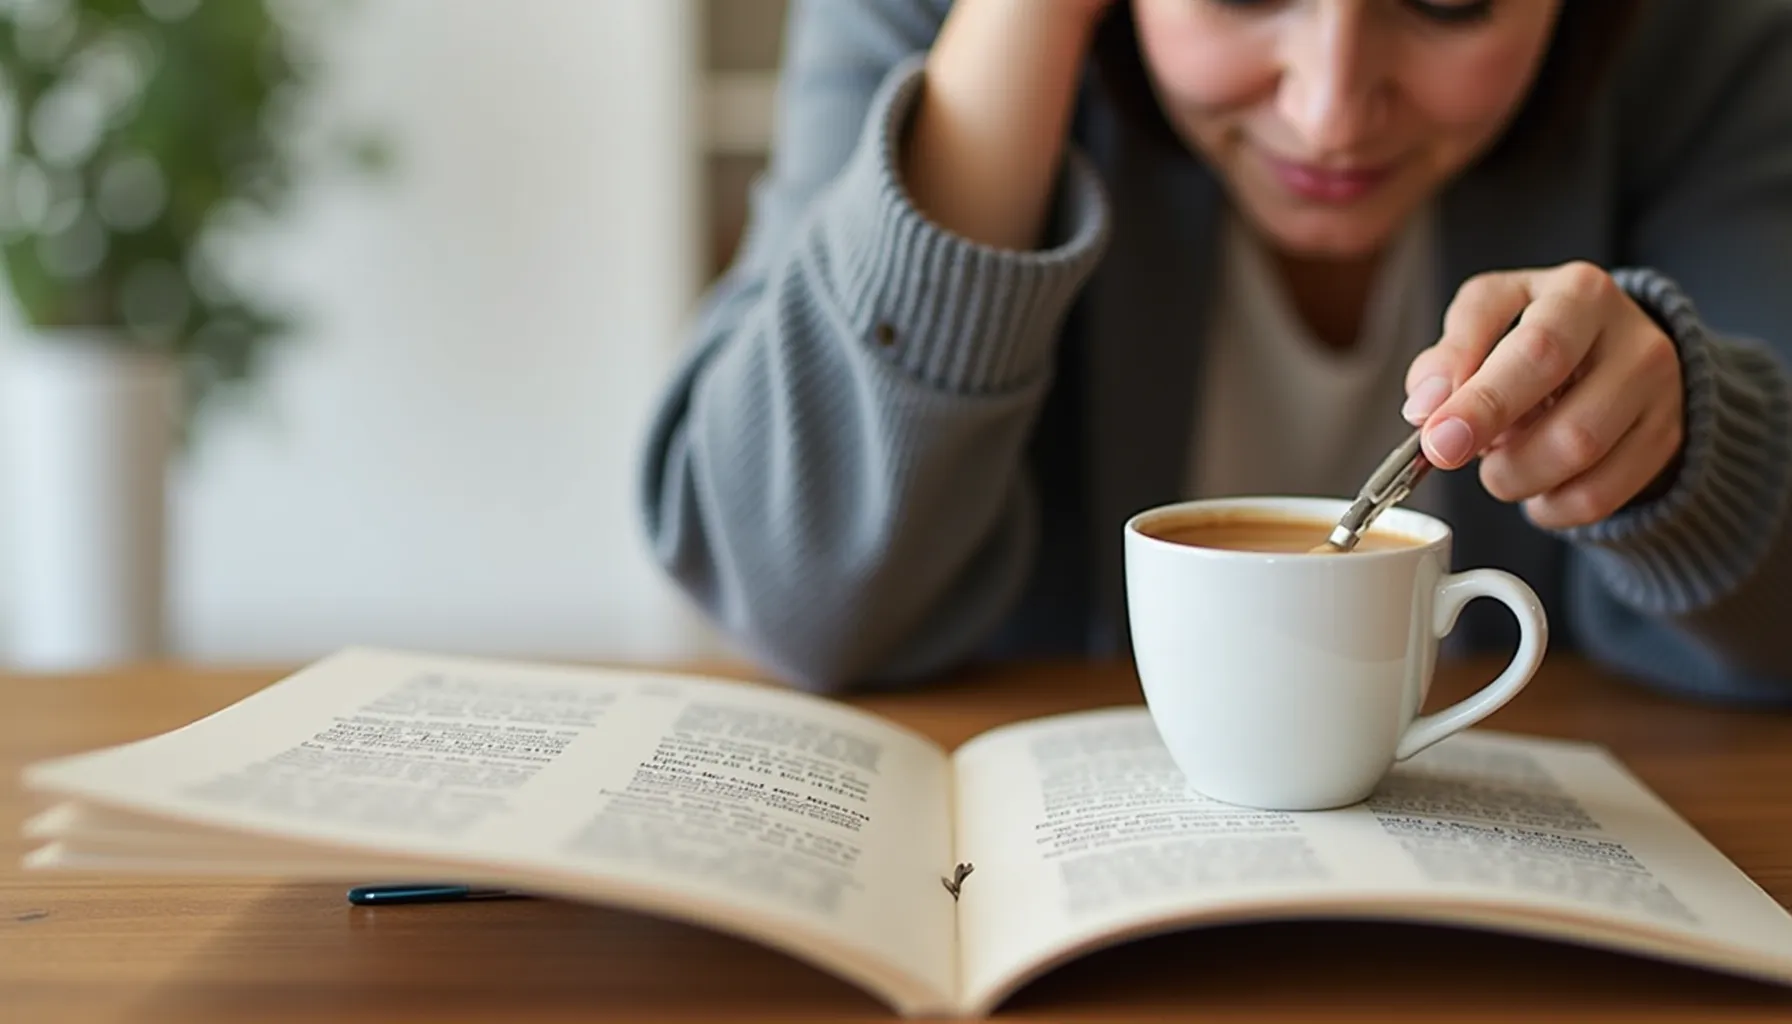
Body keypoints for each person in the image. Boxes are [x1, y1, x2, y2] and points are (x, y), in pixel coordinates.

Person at [638, 0, 1792, 701]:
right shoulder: (937, 24)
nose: (1330, 107)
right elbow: (787, 581)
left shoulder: (1703, 42)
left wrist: (1684, 452)